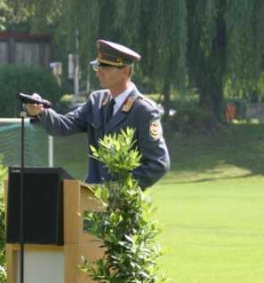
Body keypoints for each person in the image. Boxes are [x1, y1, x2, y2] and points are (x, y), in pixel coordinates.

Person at [25, 39, 170, 190]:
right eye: (98, 66)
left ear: (125, 71)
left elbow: (158, 163)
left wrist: (120, 189)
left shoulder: (144, 110)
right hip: (92, 198)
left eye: (105, 67)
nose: (99, 72)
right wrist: (40, 112)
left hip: (123, 206)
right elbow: (63, 126)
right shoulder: (96, 101)